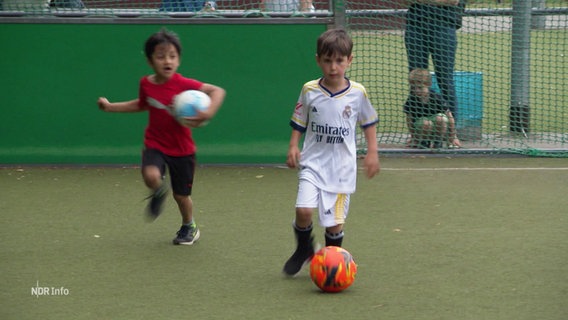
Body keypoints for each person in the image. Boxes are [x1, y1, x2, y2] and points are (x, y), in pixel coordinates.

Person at [97, 29, 226, 245]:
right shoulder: (146, 84)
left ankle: (189, 226)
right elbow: (141, 104)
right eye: (161, 56)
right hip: (155, 143)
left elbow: (218, 91)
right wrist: (110, 107)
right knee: (151, 175)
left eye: (172, 56)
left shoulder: (185, 85)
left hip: (182, 149)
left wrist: (209, 111)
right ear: (150, 61)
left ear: (178, 60)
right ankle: (158, 192)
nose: (167, 61)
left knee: (181, 196)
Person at [283, 29, 380, 276]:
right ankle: (304, 249)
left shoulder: (357, 92)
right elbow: (299, 120)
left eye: (339, 61)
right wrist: (294, 145)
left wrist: (372, 153)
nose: (333, 67)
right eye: (327, 61)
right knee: (303, 210)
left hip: (341, 168)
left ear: (350, 61)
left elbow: (368, 122)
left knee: (334, 224)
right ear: (318, 60)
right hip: (313, 163)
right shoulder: (309, 90)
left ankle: (332, 268)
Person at [404, 0, 466, 121]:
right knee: (416, 79)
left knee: (445, 79)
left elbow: (453, 1)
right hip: (415, 24)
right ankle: (419, 130)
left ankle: (451, 132)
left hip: (444, 24)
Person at [404, 69, 461, 148]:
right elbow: (409, 120)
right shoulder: (412, 99)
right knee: (426, 123)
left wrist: (453, 137)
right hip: (421, 128)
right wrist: (414, 137)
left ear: (428, 84)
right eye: (413, 88)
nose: (416, 91)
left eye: (420, 88)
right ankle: (423, 142)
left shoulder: (436, 97)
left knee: (441, 118)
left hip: (435, 128)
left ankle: (438, 141)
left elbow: (449, 116)